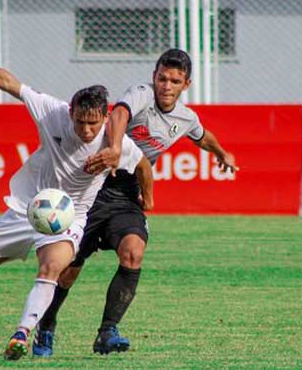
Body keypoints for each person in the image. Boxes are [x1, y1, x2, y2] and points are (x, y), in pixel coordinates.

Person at [0, 31, 154, 360]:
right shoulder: (52, 112)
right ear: (70, 111)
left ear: (104, 118)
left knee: (51, 269)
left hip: (69, 216)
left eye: (92, 124)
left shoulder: (116, 144)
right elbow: (7, 82)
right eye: (79, 122)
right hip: (27, 207)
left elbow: (144, 165)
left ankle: (22, 333)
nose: (86, 131)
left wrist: (148, 198)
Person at [33, 48, 238, 356]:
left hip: (127, 195)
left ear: (187, 85)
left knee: (133, 252)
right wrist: (114, 147)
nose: (166, 86)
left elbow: (202, 136)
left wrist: (222, 152)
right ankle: (45, 329)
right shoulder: (142, 95)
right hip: (93, 187)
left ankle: (107, 332)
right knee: (69, 268)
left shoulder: (185, 117)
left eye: (174, 81)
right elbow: (118, 113)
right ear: (153, 78)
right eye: (162, 78)